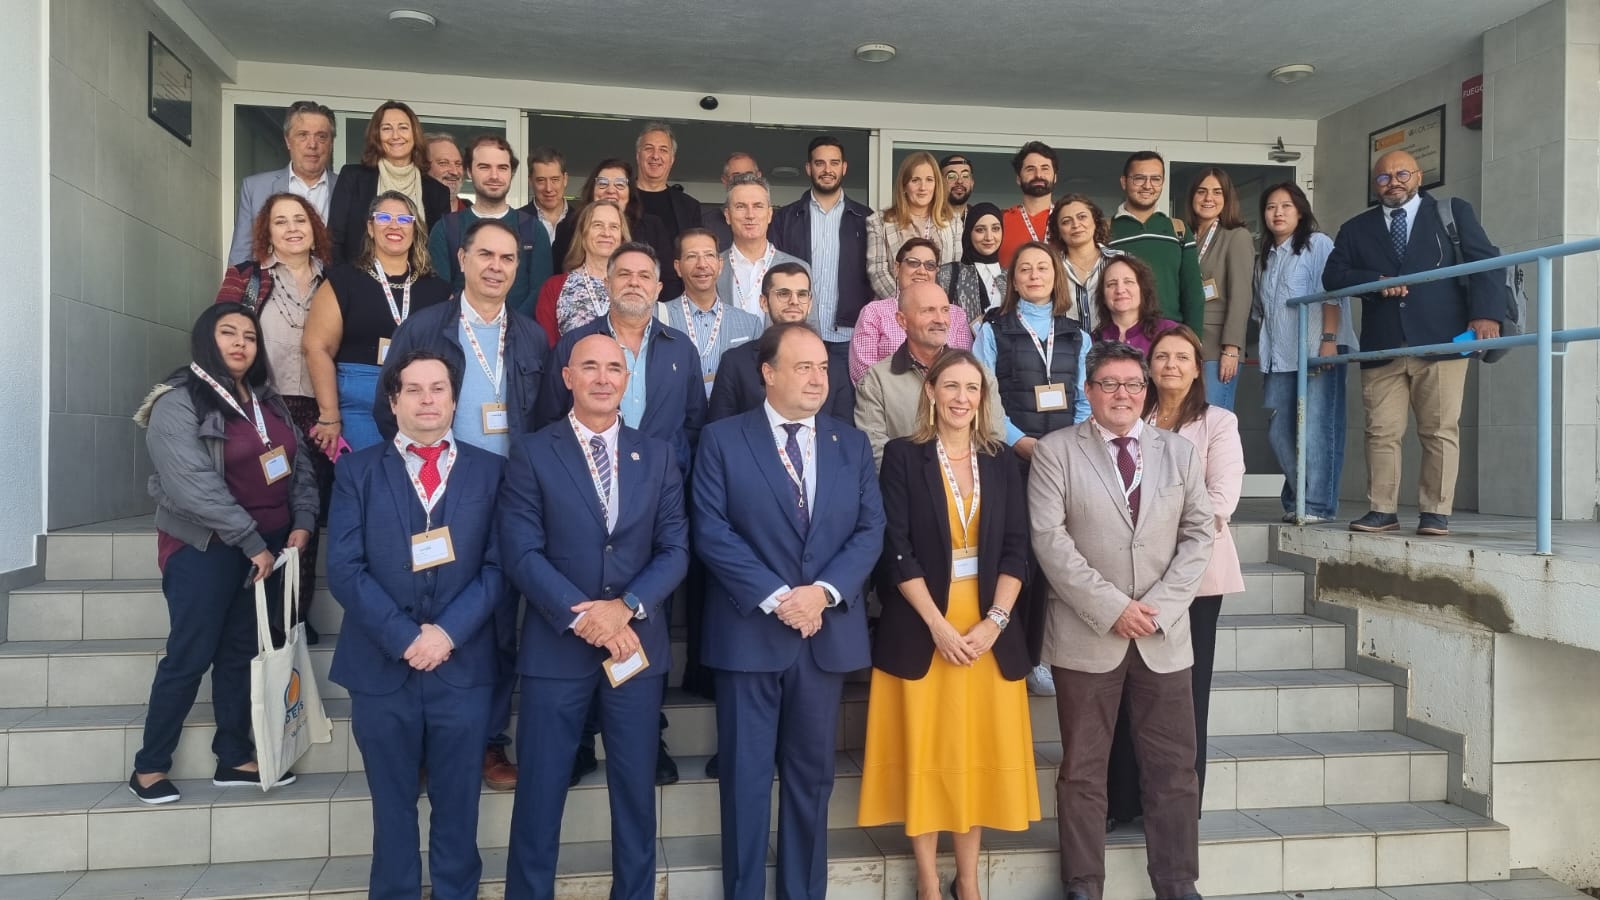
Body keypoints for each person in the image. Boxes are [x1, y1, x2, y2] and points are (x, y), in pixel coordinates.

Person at [692, 321, 885, 900]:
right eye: (803, 367)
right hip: (751, 635)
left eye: (824, 368)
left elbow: (870, 529)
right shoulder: (723, 439)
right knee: (746, 780)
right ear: (767, 374)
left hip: (822, 637)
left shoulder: (848, 443)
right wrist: (781, 598)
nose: (817, 378)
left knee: (811, 780)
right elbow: (712, 530)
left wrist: (821, 593)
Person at [499, 334, 690, 900]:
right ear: (568, 377)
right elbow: (521, 552)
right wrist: (582, 617)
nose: (603, 378)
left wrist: (624, 608)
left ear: (627, 381)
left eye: (614, 368)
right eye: (590, 367)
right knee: (539, 792)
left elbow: (676, 548)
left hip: (634, 646)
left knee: (634, 794)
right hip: (558, 650)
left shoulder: (656, 454)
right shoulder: (533, 452)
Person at [1029, 341, 1213, 900]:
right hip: (1088, 635)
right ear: (1089, 392)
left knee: (1175, 769)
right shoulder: (1056, 452)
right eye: (1109, 384)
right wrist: (1113, 609)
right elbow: (1049, 541)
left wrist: (1157, 608)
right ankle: (1084, 884)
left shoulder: (1178, 453)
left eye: (1133, 385)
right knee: (1084, 770)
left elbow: (1201, 533)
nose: (1123, 395)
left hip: (1164, 635)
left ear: (1146, 391)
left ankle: (1178, 884)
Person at [857, 349, 1039, 900]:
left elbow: (1018, 549)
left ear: (983, 398)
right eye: (952, 386)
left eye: (972, 387)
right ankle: (929, 881)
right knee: (927, 755)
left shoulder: (1004, 460)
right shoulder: (903, 457)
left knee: (974, 757)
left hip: (987, 627)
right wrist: (938, 626)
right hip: (923, 626)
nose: (962, 397)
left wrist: (995, 623)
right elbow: (897, 548)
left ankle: (968, 879)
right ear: (930, 392)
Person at [375, 219, 550, 791]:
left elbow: (544, 418)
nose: (496, 267)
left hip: (508, 493)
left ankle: (486, 743)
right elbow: (387, 406)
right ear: (463, 259)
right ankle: (429, 741)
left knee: (497, 620)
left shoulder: (530, 337)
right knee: (431, 608)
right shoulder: (425, 328)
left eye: (507, 258)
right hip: (436, 488)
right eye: (485, 255)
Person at [326, 349, 507, 900]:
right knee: (392, 806)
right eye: (414, 389)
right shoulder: (356, 470)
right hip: (382, 671)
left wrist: (446, 634)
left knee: (459, 807)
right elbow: (344, 568)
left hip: (464, 668)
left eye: (438, 389)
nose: (427, 399)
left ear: (454, 400)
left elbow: (501, 567)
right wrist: (407, 638)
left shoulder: (493, 472)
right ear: (393, 400)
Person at [128, 302, 318, 804]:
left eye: (249, 336)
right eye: (228, 333)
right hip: (205, 547)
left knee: (241, 652)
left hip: (267, 550)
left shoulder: (267, 401)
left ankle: (233, 756)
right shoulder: (177, 402)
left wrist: (302, 522)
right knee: (190, 655)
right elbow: (191, 485)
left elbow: (298, 467)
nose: (239, 343)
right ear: (205, 341)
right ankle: (149, 767)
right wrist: (251, 541)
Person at [1105, 324, 1246, 831]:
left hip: (1194, 581)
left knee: (1185, 697)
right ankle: (1121, 799)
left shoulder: (1217, 422)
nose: (1170, 365)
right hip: (1130, 579)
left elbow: (1220, 500)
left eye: (1181, 357)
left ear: (1197, 366)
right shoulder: (1127, 417)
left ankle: (1177, 806)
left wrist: (1157, 533)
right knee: (1124, 691)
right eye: (1161, 356)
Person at [1324, 149, 1503, 537]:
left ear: (1419, 176)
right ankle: (1381, 510)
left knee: (1439, 430)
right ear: (1376, 186)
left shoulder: (1452, 213)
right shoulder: (1356, 228)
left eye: (1402, 174)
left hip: (1441, 341)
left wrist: (1486, 314)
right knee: (1382, 432)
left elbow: (1486, 260)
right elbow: (1333, 277)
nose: (1394, 183)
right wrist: (1376, 280)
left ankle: (1435, 512)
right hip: (1384, 345)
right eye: (1384, 178)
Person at [971, 240, 1091, 698]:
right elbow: (984, 393)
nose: (1035, 275)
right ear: (1013, 279)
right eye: (1025, 268)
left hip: (1064, 461)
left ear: (1056, 278)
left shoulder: (1077, 334)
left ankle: (1038, 656)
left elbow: (1086, 395)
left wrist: (1062, 446)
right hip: (1008, 456)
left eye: (1043, 268)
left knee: (1048, 558)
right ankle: (1004, 649)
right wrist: (1019, 441)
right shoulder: (994, 328)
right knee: (1009, 552)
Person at [215, 192, 333, 643]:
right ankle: (257, 610)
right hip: (265, 405)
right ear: (267, 231)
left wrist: (331, 413)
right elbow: (221, 335)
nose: (291, 229)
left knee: (308, 511)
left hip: (319, 408)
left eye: (299, 220)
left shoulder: (333, 280)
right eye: (280, 222)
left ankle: (296, 614)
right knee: (269, 507)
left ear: (313, 227)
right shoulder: (246, 277)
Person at [304, 191, 453, 453]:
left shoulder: (439, 291)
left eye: (404, 219)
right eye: (384, 217)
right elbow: (316, 347)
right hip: (359, 407)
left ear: (415, 228)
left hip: (423, 405)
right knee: (365, 484)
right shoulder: (343, 281)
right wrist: (329, 414)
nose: (394, 225)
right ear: (370, 228)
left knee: (414, 489)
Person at [1256, 182, 1357, 524]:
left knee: (1317, 428)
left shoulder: (1318, 244)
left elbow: (1331, 294)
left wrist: (1328, 339)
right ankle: (1299, 496)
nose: (1278, 213)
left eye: (1285, 206)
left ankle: (1316, 505)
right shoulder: (1266, 256)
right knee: (1279, 431)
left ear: (1300, 210)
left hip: (1317, 348)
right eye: (1271, 207)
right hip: (1279, 357)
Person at [856, 281, 1004, 468]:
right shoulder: (877, 381)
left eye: (945, 310)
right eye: (928, 311)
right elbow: (875, 452)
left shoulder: (980, 376)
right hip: (906, 492)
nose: (940, 319)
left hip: (970, 491)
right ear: (902, 320)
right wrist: (929, 481)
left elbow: (994, 441)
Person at [769, 135, 874, 369]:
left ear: (844, 168)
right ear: (809, 168)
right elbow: (774, 275)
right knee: (797, 402)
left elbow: (873, 277)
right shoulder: (785, 218)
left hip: (847, 337)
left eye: (834, 163)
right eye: (820, 163)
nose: (827, 170)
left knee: (843, 405)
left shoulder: (867, 219)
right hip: (797, 331)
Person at [708, 262, 855, 423]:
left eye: (802, 294)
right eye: (783, 294)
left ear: (810, 304)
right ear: (764, 302)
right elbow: (720, 432)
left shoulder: (835, 366)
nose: (794, 301)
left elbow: (843, 435)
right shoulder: (735, 362)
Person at [427, 135, 554, 319]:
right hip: (460, 334)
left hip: (518, 337)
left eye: (502, 168)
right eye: (484, 167)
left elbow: (540, 292)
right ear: (469, 171)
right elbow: (440, 292)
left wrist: (507, 326)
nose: (494, 176)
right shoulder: (446, 228)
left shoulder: (532, 229)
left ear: (511, 172)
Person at [327, 101, 452, 264]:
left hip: (418, 284)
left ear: (414, 134)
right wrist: (343, 284)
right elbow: (333, 241)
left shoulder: (438, 192)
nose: (395, 136)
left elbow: (441, 251)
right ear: (376, 135)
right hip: (357, 281)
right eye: (386, 128)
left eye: (403, 127)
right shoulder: (353, 177)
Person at [227, 100, 337, 265]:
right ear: (287, 141)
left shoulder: (348, 188)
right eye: (303, 135)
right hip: (272, 287)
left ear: (331, 143)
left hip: (333, 288)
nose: (312, 145)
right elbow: (241, 256)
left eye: (321, 136)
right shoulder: (255, 188)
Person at [849, 239, 975, 383]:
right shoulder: (874, 312)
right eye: (913, 263)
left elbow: (964, 365)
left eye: (930, 265)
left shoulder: (956, 314)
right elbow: (864, 375)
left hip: (943, 399)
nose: (921, 271)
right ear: (897, 267)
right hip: (889, 399)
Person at [1107, 151, 1205, 333]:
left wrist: (1194, 341)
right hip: (1120, 335)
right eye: (1139, 178)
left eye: (1155, 179)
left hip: (1169, 336)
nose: (1147, 186)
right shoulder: (1104, 231)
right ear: (1124, 182)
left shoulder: (1179, 230)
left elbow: (1193, 293)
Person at [661, 228, 763, 396]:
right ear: (677, 267)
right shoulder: (659, 316)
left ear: (720, 264)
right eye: (692, 256)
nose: (702, 264)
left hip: (730, 418)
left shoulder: (750, 324)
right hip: (678, 417)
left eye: (709, 255)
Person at [1183, 167, 1254, 411]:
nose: (1208, 198)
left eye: (1216, 192)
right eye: (1202, 191)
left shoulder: (1236, 236)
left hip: (1217, 346)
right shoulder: (1186, 236)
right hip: (1186, 341)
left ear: (1227, 199)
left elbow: (1241, 296)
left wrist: (1232, 348)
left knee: (1211, 421)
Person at [550, 158, 673, 282]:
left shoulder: (652, 227)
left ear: (630, 192)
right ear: (592, 190)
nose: (610, 190)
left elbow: (668, 280)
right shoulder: (569, 226)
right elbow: (556, 276)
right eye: (603, 183)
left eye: (620, 184)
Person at [867, 151, 962, 298]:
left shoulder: (953, 222)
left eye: (929, 180)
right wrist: (905, 303)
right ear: (904, 186)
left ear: (937, 185)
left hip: (936, 310)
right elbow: (877, 271)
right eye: (915, 180)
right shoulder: (879, 221)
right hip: (894, 310)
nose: (923, 187)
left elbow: (954, 272)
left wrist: (933, 303)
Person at [536, 200, 629, 343]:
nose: (606, 233)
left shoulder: (634, 285)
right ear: (583, 234)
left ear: (622, 237)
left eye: (614, 227)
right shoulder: (554, 287)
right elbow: (547, 350)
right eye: (597, 225)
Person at [717, 172, 808, 317]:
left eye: (758, 206)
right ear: (727, 216)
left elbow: (810, 330)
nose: (750, 215)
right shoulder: (712, 268)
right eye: (740, 206)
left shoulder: (799, 268)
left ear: (770, 214)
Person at [635, 122, 703, 299]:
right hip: (628, 294)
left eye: (663, 150)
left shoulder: (689, 207)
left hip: (674, 301)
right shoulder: (620, 197)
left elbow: (695, 256)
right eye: (648, 148)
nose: (655, 155)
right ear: (638, 155)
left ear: (672, 159)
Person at [1049, 194, 1116, 333]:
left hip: (1112, 350)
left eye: (1082, 217)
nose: (1076, 225)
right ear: (1058, 231)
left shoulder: (1121, 261)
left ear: (1095, 221)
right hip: (1066, 350)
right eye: (1066, 221)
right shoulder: (1050, 267)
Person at [1091, 254, 1180, 354]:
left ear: (1143, 289)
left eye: (1128, 282)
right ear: (1103, 295)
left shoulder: (1169, 331)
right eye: (1112, 284)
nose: (1120, 290)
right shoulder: (1092, 341)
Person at [937, 201, 1006, 323]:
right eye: (980, 230)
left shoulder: (1011, 277)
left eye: (995, 229)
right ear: (969, 233)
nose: (989, 237)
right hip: (958, 342)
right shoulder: (947, 274)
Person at [999, 141, 1057, 267]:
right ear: (1018, 179)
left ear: (1055, 177)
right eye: (1030, 169)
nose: (1038, 175)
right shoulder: (1000, 221)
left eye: (1045, 168)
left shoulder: (1068, 220)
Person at [703, 151, 760, 249]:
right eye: (736, 176)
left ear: (759, 177)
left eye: (749, 175)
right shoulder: (706, 223)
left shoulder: (776, 221)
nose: (743, 180)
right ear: (725, 181)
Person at [521, 146, 571, 250]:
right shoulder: (517, 221)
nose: (548, 188)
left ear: (565, 179)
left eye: (555, 179)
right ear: (530, 181)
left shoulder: (582, 220)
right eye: (541, 180)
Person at [425, 132, 468, 213]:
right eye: (443, 163)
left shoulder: (477, 219)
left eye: (458, 164)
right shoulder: (406, 215)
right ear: (423, 167)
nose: (454, 172)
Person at [941, 153, 975, 224]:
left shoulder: (980, 218)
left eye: (965, 176)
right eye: (951, 176)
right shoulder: (929, 217)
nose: (959, 181)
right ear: (940, 182)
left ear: (972, 182)